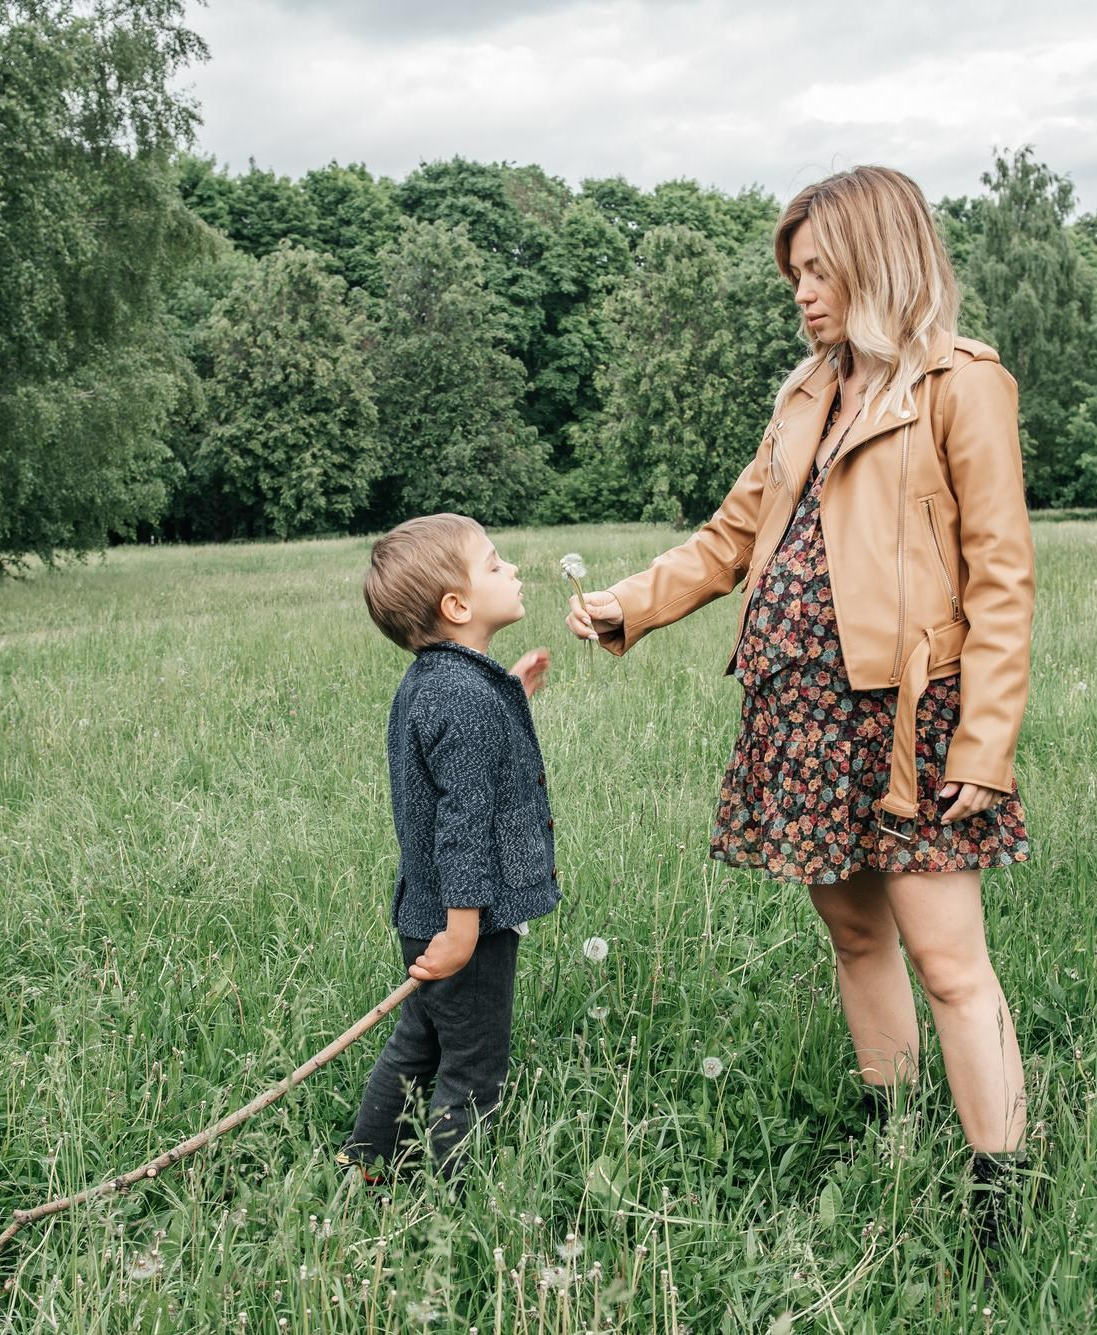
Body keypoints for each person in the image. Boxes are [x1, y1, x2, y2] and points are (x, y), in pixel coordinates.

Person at [565, 165, 1036, 1249]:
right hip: (798, 713)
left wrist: (985, 738)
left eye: (817, 270)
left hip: (910, 718)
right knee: (852, 933)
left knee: (946, 957)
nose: (800, 293)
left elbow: (1001, 577)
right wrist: (627, 605)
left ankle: (999, 1192)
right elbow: (732, 537)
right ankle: (893, 1130)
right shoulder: (805, 392)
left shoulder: (961, 384)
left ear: (876, 260)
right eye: (793, 275)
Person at [340, 513, 557, 1183]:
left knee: (422, 1042)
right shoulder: (463, 697)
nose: (513, 569)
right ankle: (454, 1200)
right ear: (456, 605)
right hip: (466, 922)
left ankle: (367, 1166)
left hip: (423, 914)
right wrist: (464, 930)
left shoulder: (441, 683)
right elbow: (461, 825)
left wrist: (510, 692)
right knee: (473, 1067)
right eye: (495, 564)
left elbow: (456, 764)